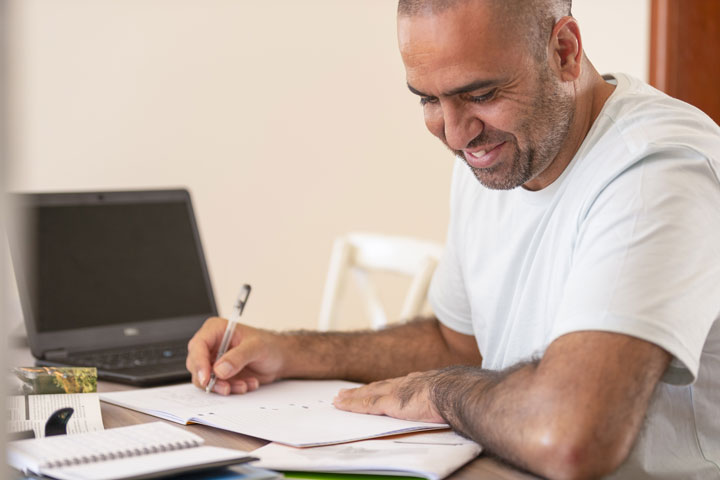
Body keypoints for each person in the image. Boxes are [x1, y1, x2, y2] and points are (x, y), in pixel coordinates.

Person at [186, 0, 720, 478]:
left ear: (563, 51)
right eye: (428, 100)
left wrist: (439, 391)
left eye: (481, 94)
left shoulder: (657, 167)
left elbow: (571, 436)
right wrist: (292, 351)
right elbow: (455, 343)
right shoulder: (498, 155)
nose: (456, 133)